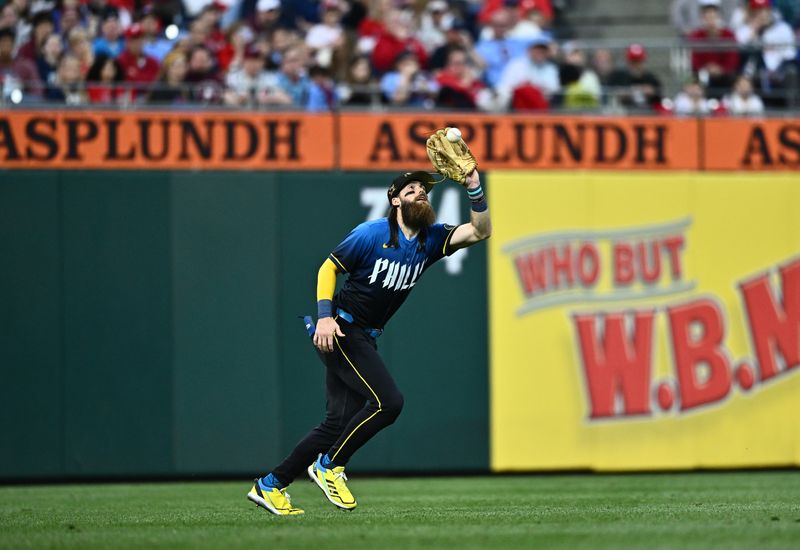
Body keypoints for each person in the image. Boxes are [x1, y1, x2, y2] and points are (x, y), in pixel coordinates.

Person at [248, 165, 492, 515]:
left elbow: (481, 231)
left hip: (363, 336)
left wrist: (473, 187)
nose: (419, 193)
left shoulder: (431, 239)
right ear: (394, 201)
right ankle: (330, 466)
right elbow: (328, 267)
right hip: (343, 331)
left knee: (335, 424)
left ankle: (270, 484)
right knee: (389, 402)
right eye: (410, 190)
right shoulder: (371, 233)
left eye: (423, 190)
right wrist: (324, 317)